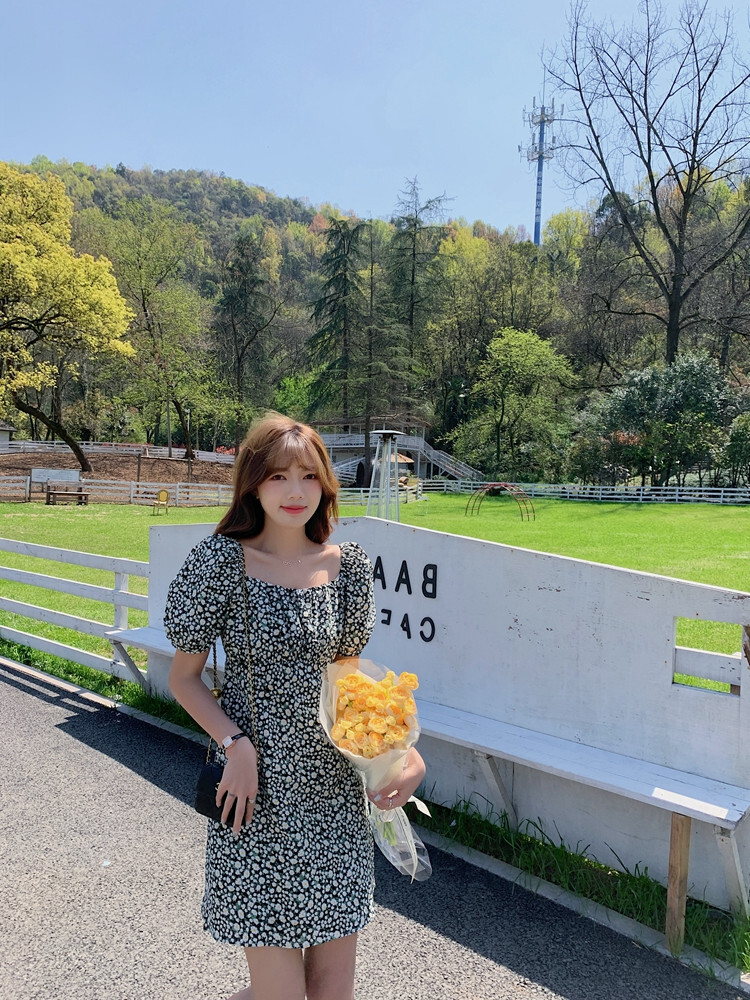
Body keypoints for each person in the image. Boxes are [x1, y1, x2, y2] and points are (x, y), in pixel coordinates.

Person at [164, 414, 426, 1000]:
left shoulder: (347, 567)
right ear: (253, 483)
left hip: (333, 795)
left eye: (309, 476)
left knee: (331, 991)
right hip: (255, 794)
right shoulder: (220, 563)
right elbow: (183, 678)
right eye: (278, 475)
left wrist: (400, 755)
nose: (295, 491)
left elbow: (350, 683)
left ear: (326, 484)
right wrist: (237, 746)